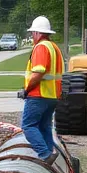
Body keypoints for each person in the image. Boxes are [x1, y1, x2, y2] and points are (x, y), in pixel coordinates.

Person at [17, 16, 65, 163]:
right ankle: (50, 152)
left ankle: (45, 154)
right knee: (44, 125)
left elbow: (39, 72)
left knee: (28, 125)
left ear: (38, 33)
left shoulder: (41, 47)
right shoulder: (54, 47)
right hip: (52, 96)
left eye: (33, 33)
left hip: (39, 95)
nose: (32, 36)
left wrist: (26, 89)